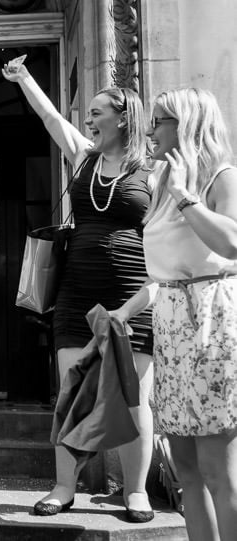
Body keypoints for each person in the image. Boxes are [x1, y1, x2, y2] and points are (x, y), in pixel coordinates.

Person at [1, 61, 155, 521]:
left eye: (96, 112)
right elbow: (51, 119)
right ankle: (63, 487)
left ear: (123, 117)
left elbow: (168, 237)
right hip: (76, 291)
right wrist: (25, 80)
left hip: (132, 292)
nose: (88, 120)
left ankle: (136, 492)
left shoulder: (155, 171)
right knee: (71, 392)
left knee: (133, 395)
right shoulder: (84, 156)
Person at [111, 88, 237, 540]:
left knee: (218, 468)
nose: (150, 128)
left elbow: (232, 244)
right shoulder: (158, 181)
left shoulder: (220, 176)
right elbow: (161, 275)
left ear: (186, 125)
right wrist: (122, 313)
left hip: (212, 323)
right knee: (185, 468)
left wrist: (188, 197)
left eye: (161, 120)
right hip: (172, 326)